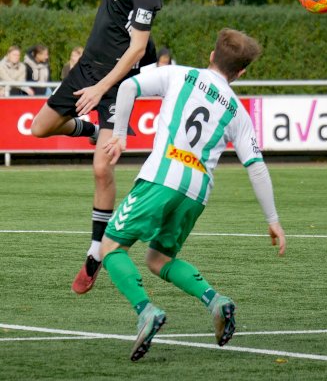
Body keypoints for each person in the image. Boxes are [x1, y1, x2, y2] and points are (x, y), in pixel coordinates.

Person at [100, 28, 286, 362]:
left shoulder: (179, 75)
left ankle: (146, 312)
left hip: (161, 175)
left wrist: (119, 136)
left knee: (110, 246)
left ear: (212, 56)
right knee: (159, 259)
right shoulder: (238, 112)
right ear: (240, 72)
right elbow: (256, 166)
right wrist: (273, 220)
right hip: (198, 190)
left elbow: (128, 85)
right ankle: (216, 301)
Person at [30, 0, 162, 295]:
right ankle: (89, 128)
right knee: (38, 128)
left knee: (102, 170)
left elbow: (139, 50)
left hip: (117, 81)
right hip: (88, 67)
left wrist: (102, 89)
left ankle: (92, 255)